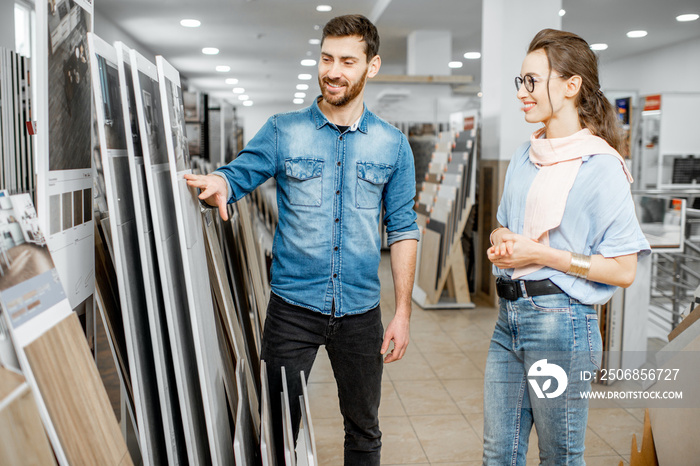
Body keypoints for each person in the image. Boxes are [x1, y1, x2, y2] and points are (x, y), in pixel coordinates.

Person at [184, 14, 419, 465]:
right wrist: (220, 182)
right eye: (327, 58)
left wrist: (403, 312)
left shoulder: (392, 146)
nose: (333, 70)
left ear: (371, 67)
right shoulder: (283, 130)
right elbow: (238, 174)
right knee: (276, 430)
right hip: (292, 309)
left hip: (361, 313)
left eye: (347, 61)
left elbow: (404, 229)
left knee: (364, 431)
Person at [483, 28, 650, 465]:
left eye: (532, 81)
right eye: (521, 81)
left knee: (558, 456)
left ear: (571, 85)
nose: (523, 92)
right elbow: (504, 226)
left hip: (562, 327)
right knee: (498, 455)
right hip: (510, 319)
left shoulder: (602, 166)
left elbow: (622, 270)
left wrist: (539, 254)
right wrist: (502, 241)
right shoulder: (524, 154)